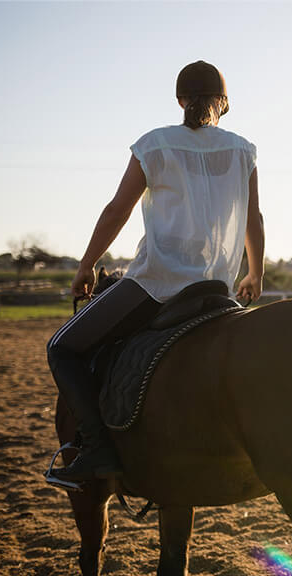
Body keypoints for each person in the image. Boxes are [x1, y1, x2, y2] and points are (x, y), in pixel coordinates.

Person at [48, 61, 264, 483]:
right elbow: (253, 217)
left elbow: (117, 211)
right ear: (223, 104)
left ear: (181, 101)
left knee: (62, 348)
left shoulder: (154, 144)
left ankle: (96, 448)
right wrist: (255, 273)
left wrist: (87, 265)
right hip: (218, 287)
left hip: (157, 284)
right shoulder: (243, 150)